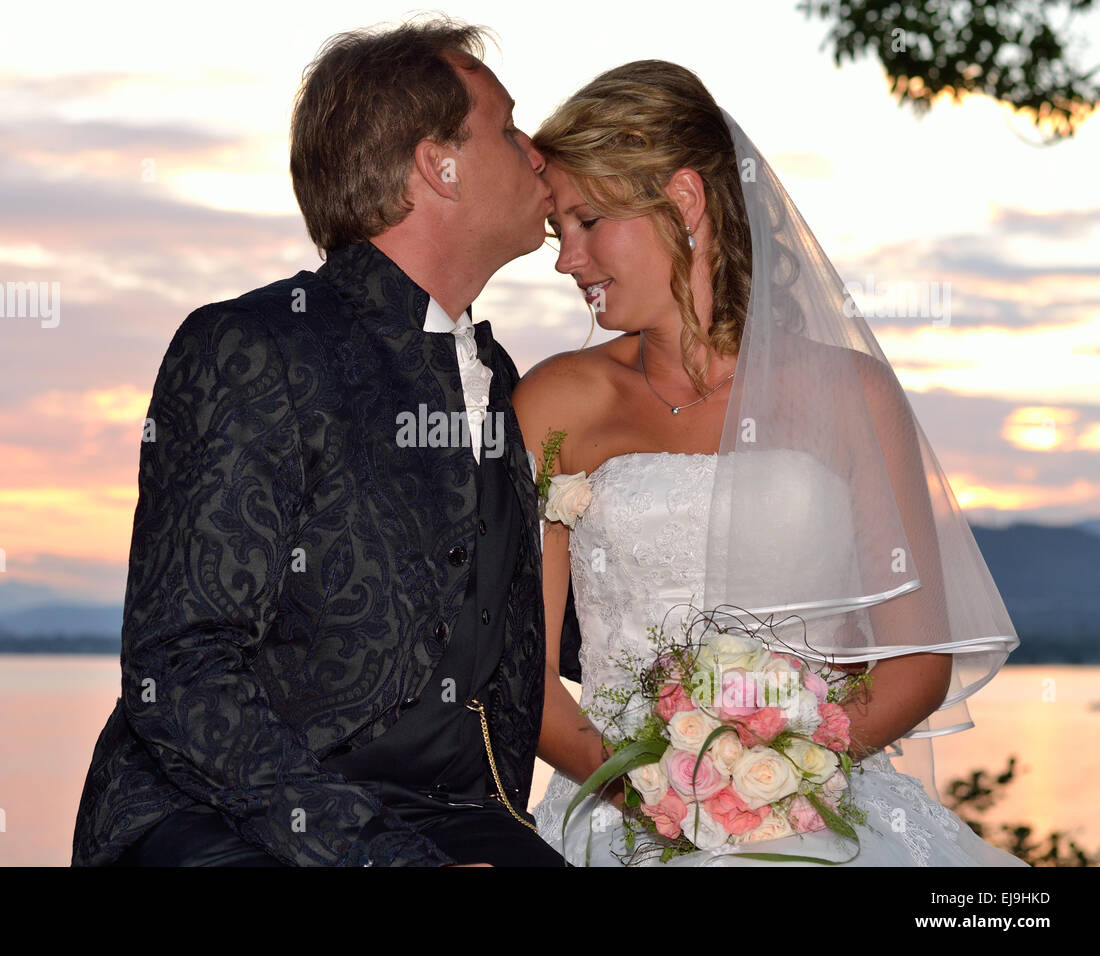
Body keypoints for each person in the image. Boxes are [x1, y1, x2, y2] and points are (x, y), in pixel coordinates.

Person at [71, 17, 564, 867]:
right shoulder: (250, 346)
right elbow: (180, 670)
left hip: (456, 817)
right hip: (219, 823)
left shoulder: (506, 378)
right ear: (435, 165)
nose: (538, 156)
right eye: (511, 128)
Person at [515, 60, 1026, 866]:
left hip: (825, 802)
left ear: (684, 201)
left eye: (588, 222)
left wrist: (773, 783)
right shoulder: (553, 405)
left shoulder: (851, 393)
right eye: (557, 233)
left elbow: (917, 658)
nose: (566, 260)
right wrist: (655, 796)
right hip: (616, 820)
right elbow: (526, 672)